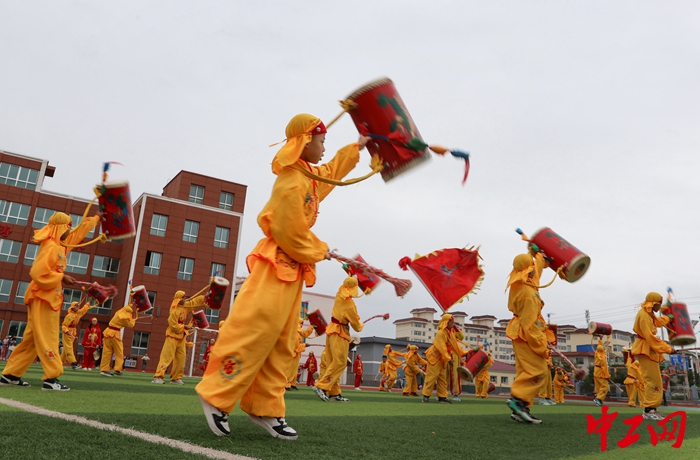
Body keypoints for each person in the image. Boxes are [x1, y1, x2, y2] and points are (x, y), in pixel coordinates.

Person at [196, 113, 369, 439]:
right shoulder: (292, 181)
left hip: (292, 271)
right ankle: (216, 396)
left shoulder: (308, 177)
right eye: (321, 141)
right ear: (305, 141)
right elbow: (287, 230)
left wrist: (356, 148)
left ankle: (265, 407)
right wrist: (319, 249)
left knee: (284, 342)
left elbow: (331, 172)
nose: (322, 147)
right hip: (275, 264)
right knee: (255, 329)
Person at [0, 212, 99, 391]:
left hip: (46, 297)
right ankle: (51, 378)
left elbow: (77, 234)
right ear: (61, 228)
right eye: (68, 226)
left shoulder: (60, 246)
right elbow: (37, 273)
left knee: (31, 339)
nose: (71, 230)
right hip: (43, 297)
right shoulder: (51, 247)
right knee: (49, 336)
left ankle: (11, 375)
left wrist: (96, 218)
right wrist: (61, 277)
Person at [505, 253, 548, 424]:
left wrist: (538, 257)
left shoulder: (522, 284)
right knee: (538, 370)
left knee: (524, 370)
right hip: (525, 333)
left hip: (519, 331)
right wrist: (540, 343)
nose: (535, 269)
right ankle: (518, 400)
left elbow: (536, 272)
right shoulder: (528, 293)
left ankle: (521, 410)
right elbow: (529, 323)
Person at [313, 276, 364, 402]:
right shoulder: (350, 305)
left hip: (331, 330)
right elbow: (357, 327)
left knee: (332, 362)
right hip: (340, 332)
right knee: (340, 362)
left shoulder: (338, 295)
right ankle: (321, 386)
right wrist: (361, 325)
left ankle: (334, 393)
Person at [631, 292, 674, 420]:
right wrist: (668, 349)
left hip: (649, 349)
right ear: (653, 303)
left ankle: (653, 409)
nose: (659, 307)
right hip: (646, 348)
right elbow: (650, 337)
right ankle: (649, 410)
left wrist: (668, 318)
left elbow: (657, 322)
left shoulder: (648, 314)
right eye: (659, 304)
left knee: (655, 380)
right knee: (651, 380)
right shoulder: (644, 315)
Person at [151, 290, 205, 385]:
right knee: (166, 357)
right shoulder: (174, 311)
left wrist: (205, 296)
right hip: (172, 336)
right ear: (179, 299)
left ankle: (175, 378)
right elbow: (173, 326)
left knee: (181, 358)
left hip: (181, 337)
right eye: (183, 298)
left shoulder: (185, 306)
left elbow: (193, 302)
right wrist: (185, 327)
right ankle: (158, 376)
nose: (185, 299)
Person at [422, 314, 464, 404]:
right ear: (447, 323)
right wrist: (448, 358)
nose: (453, 324)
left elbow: (457, 343)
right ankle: (426, 396)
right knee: (432, 376)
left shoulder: (450, 333)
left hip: (443, 359)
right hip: (435, 357)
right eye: (452, 322)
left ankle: (442, 397)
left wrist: (464, 353)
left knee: (442, 379)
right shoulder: (441, 333)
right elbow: (442, 348)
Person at [100, 297, 139, 377]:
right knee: (119, 352)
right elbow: (130, 325)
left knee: (106, 352)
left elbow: (127, 308)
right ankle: (117, 369)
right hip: (115, 334)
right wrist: (134, 320)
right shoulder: (124, 319)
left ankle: (104, 369)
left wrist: (132, 304)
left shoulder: (120, 311)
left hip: (107, 332)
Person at [61, 300, 95, 370]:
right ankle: (73, 363)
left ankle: (60, 363)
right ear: (73, 308)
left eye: (78, 306)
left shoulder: (78, 313)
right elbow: (64, 325)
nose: (78, 308)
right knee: (69, 348)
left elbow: (84, 309)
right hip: (68, 333)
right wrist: (67, 331)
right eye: (77, 307)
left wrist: (90, 300)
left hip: (73, 332)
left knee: (66, 349)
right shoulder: (69, 316)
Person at [286, 318, 315, 391]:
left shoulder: (297, 331)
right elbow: (295, 346)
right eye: (301, 323)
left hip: (297, 354)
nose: (302, 324)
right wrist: (304, 345)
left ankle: (293, 384)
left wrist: (311, 327)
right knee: (291, 370)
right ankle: (286, 384)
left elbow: (304, 335)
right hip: (293, 353)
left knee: (295, 370)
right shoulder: (295, 330)